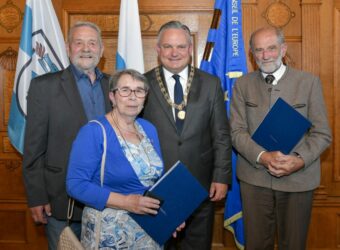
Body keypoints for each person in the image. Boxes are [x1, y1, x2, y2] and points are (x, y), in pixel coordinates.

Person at [230, 26, 332, 250]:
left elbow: (322, 133)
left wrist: (299, 159)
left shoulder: (308, 82)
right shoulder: (242, 85)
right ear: (251, 54)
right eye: (259, 50)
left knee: (294, 244)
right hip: (254, 180)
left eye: (271, 48)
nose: (265, 55)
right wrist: (263, 156)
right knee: (256, 245)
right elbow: (236, 132)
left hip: (298, 179)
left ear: (283, 49)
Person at [142, 20, 232, 250]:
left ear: (190, 49)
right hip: (157, 186)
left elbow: (221, 134)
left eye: (181, 46)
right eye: (168, 47)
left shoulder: (211, 84)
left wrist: (221, 177)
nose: (174, 53)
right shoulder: (141, 84)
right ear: (158, 49)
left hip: (200, 185)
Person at [22, 21, 111, 250]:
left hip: (110, 200)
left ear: (101, 50)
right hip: (61, 200)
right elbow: (34, 147)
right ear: (68, 47)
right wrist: (37, 196)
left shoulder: (116, 86)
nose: (86, 48)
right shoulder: (44, 87)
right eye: (78, 42)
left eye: (92, 43)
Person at [66, 69, 168, 249]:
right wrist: (127, 202)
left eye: (139, 91)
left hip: (149, 232)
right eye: (125, 90)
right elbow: (76, 184)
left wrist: (170, 217)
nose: (133, 97)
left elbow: (157, 182)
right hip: (109, 234)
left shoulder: (149, 129)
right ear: (112, 96)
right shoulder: (94, 131)